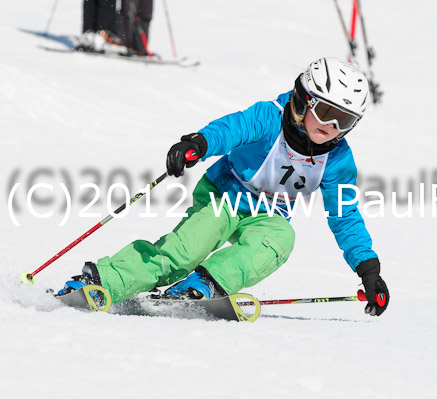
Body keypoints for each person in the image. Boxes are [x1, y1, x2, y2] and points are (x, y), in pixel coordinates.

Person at [58, 58, 390, 317]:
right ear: (304, 100)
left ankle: (205, 284)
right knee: (181, 254)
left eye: (344, 121)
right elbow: (231, 130)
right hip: (224, 195)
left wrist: (368, 269)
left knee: (280, 240)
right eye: (327, 113)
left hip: (268, 215)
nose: (332, 127)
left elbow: (345, 216)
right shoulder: (269, 117)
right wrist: (199, 144)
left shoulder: (337, 160)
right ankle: (104, 279)